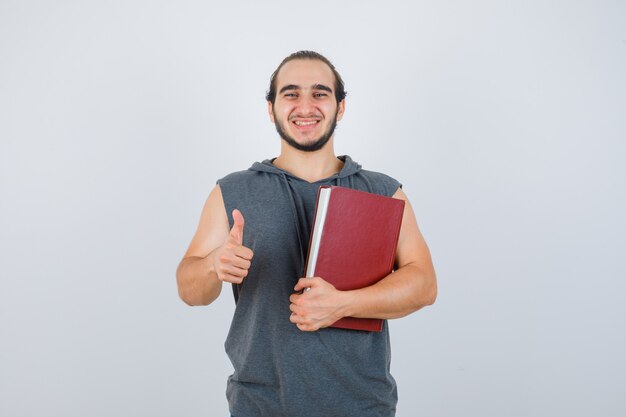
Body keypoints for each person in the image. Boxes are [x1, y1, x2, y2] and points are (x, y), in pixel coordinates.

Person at [176, 50, 437, 417]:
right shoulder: (232, 191)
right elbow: (190, 291)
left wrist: (343, 304)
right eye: (291, 93)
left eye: (320, 93)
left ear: (340, 107)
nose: (305, 105)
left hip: (363, 406)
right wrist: (212, 267)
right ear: (271, 108)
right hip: (260, 405)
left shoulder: (384, 191)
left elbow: (424, 285)